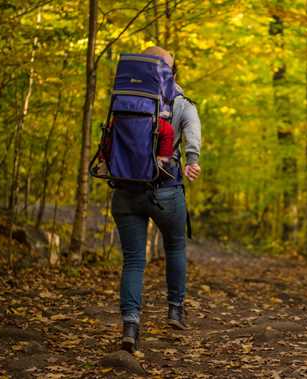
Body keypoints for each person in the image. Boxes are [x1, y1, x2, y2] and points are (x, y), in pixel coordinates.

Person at [111, 46, 201, 353]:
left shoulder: (123, 98)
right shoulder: (182, 104)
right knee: (175, 245)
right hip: (166, 189)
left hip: (126, 189)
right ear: (172, 73)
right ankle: (175, 309)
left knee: (134, 260)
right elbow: (193, 132)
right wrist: (191, 159)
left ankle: (130, 326)